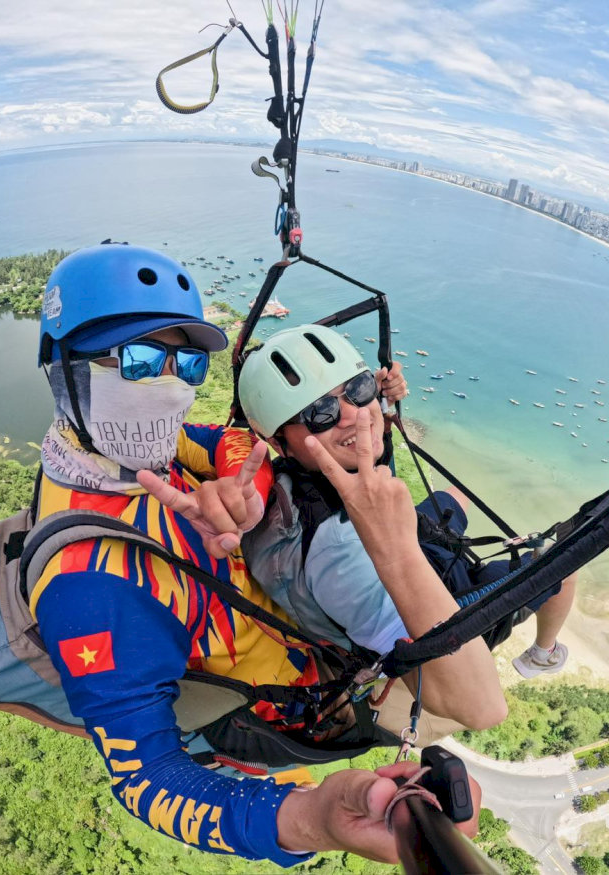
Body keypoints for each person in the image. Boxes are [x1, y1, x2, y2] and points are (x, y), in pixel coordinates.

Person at [30, 243, 491, 866]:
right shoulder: (90, 589)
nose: (168, 387)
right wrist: (314, 818)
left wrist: (246, 490)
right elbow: (146, 778)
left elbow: (233, 440)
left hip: (300, 627)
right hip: (300, 702)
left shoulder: (124, 452)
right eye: (138, 360)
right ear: (62, 366)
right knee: (470, 670)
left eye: (188, 365)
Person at [232, 324, 576, 691]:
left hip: (406, 546)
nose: (354, 415)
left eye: (357, 389)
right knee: (565, 560)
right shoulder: (337, 553)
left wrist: (383, 401)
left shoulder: (298, 480)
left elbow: (362, 441)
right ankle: (544, 653)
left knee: (455, 495)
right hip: (439, 607)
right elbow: (429, 655)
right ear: (278, 441)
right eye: (321, 412)